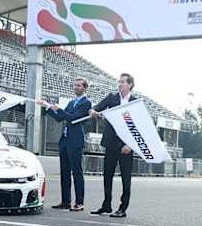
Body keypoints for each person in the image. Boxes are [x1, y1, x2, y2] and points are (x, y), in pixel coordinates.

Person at [37, 78, 92, 212]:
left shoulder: (86, 103)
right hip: (65, 140)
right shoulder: (72, 102)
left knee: (77, 172)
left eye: (79, 85)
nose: (76, 87)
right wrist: (48, 107)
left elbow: (73, 118)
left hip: (76, 140)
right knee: (64, 172)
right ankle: (65, 201)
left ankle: (79, 202)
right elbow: (60, 117)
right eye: (75, 85)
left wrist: (58, 109)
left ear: (85, 88)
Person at [89, 73, 137, 218]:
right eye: (119, 81)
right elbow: (98, 106)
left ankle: (123, 208)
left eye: (122, 82)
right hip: (111, 142)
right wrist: (93, 110)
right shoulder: (112, 97)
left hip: (125, 146)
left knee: (125, 178)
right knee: (107, 175)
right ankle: (106, 205)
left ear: (129, 85)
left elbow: (139, 127)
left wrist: (130, 145)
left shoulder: (136, 102)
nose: (120, 84)